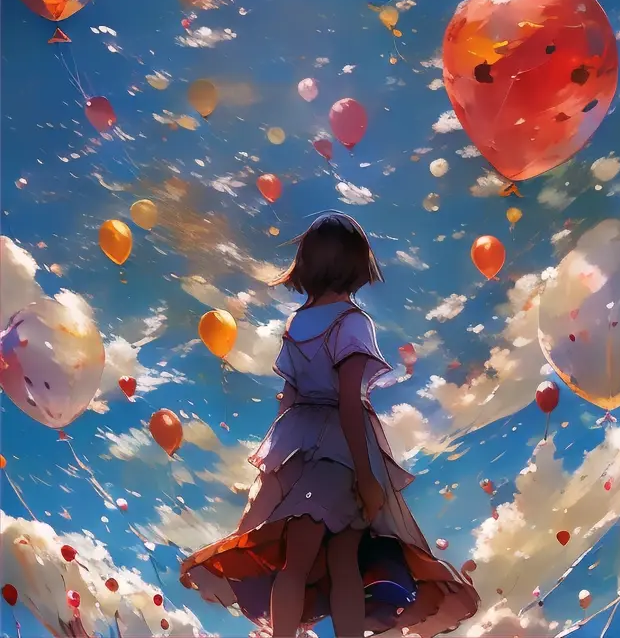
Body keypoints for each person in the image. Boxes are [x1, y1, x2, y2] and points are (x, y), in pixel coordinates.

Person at [179, 213, 479, 637]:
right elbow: (349, 403)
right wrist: (368, 477)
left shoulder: (296, 323)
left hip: (296, 447)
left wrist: (279, 467)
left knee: (295, 560)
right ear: (354, 265)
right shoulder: (352, 322)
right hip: (339, 452)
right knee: (342, 561)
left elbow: (289, 399)